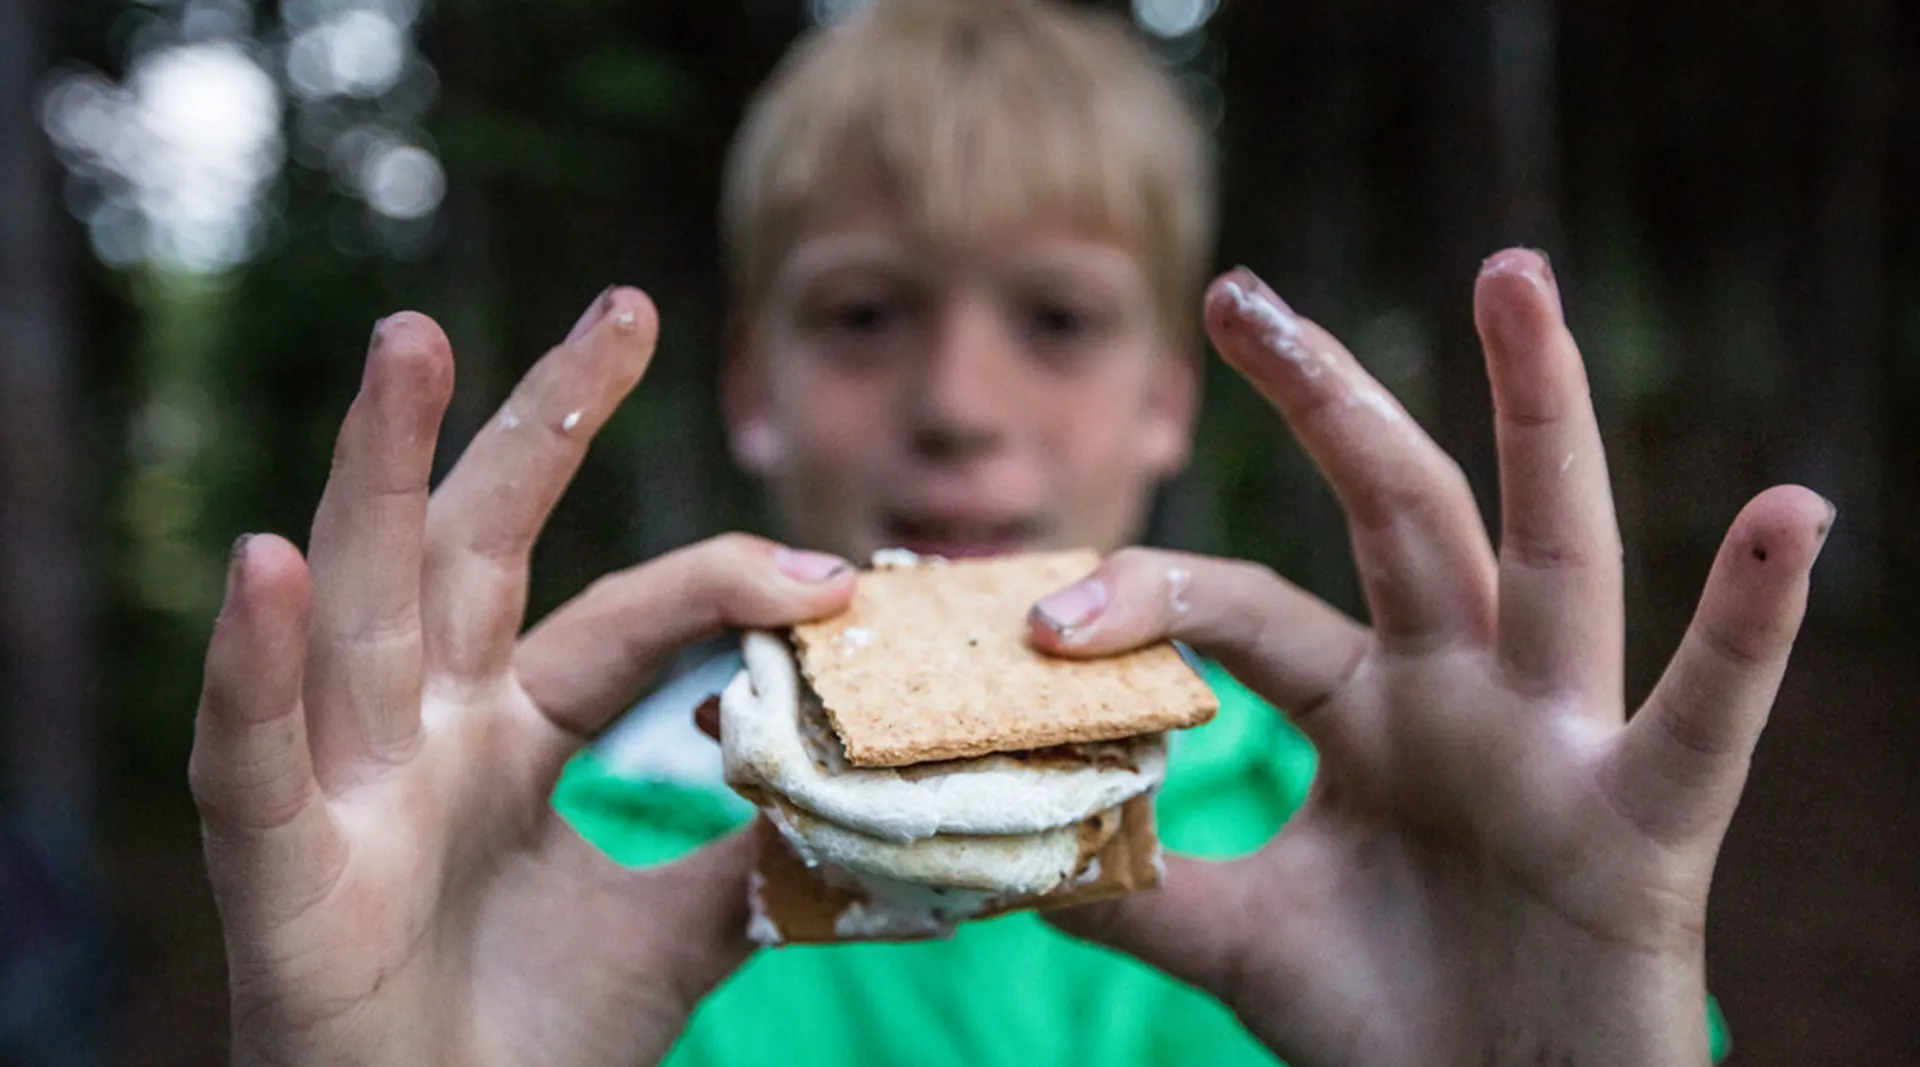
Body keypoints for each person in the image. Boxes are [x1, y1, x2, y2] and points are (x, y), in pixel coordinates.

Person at [188, 1, 1831, 1065]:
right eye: (863, 314)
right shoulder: (567, 864)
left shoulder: (1386, 845)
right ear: (752, 387)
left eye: (1054, 318)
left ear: (1169, 403)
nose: (960, 403)